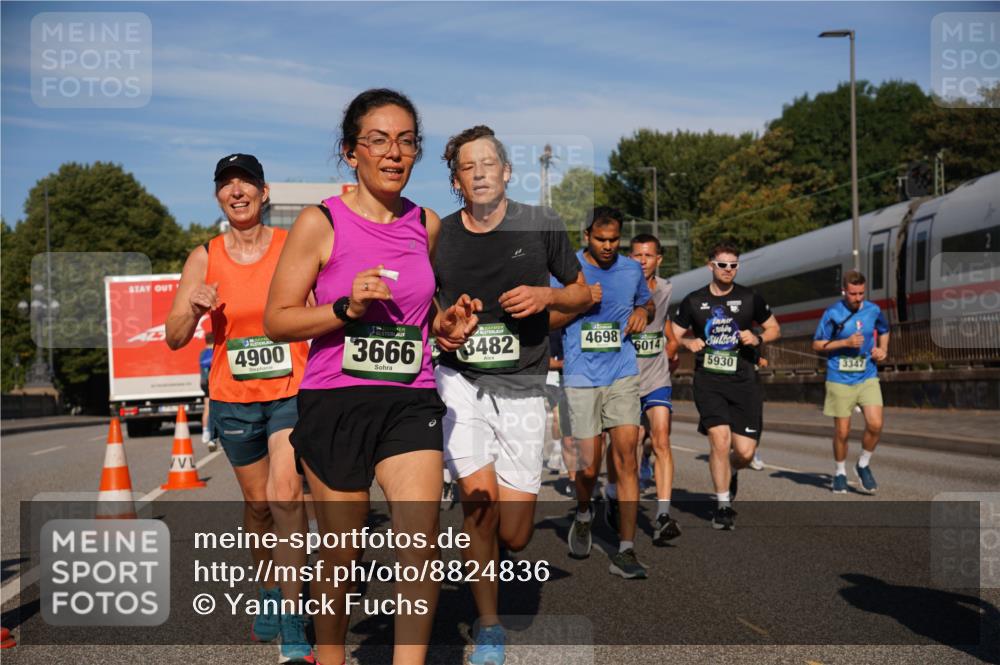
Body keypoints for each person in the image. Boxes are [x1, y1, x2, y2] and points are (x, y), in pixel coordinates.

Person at [263, 89, 478, 665]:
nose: (394, 153)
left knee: (421, 544)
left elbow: (421, 310)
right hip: (335, 402)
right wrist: (344, 309)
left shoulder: (425, 223)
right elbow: (277, 320)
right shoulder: (320, 222)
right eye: (378, 140)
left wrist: (445, 325)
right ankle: (330, 655)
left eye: (406, 141)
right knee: (342, 552)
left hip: (410, 399)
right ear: (350, 151)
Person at [432, 126, 590, 665]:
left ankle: (494, 554)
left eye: (488, 164)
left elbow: (582, 293)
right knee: (479, 507)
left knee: (516, 535)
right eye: (467, 167)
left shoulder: (541, 223)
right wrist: (445, 326)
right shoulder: (440, 235)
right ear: (456, 181)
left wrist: (547, 295)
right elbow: (427, 309)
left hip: (523, 387)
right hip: (461, 382)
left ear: (506, 171)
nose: (479, 173)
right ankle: (489, 625)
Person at [165, 153, 313, 661]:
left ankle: (294, 615)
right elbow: (173, 337)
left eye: (246, 182)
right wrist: (193, 308)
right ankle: (269, 588)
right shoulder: (204, 257)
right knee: (258, 505)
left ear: (263, 192)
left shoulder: (292, 246)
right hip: (234, 399)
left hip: (291, 391)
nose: (237, 191)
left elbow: (323, 303)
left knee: (286, 495)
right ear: (218, 197)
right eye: (226, 184)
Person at [560, 206, 654, 579]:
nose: (608, 246)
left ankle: (626, 550)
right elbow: (548, 316)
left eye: (614, 240)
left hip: (622, 372)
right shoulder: (567, 269)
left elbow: (646, 301)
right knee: (587, 467)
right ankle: (585, 512)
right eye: (601, 239)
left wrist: (644, 312)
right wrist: (580, 300)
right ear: (587, 236)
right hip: (582, 375)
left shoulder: (631, 269)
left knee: (627, 455)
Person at [672, 241, 779, 531]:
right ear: (711, 266)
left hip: (744, 382)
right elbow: (673, 335)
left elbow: (774, 328)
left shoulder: (750, 297)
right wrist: (687, 342)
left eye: (733, 265)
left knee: (744, 452)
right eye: (722, 265)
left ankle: (732, 470)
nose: (728, 269)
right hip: (709, 381)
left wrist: (757, 338)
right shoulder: (694, 300)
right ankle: (722, 506)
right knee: (719, 440)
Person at [812, 270, 890, 494]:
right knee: (842, 433)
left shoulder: (873, 310)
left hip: (867, 375)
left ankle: (863, 464)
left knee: (875, 424)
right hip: (839, 378)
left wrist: (882, 350)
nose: (857, 298)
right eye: (853, 294)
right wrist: (844, 342)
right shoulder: (832, 313)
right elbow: (817, 344)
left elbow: (884, 330)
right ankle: (840, 472)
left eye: (861, 293)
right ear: (844, 291)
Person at [628, 234, 681, 545]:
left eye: (648, 256)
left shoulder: (666, 288)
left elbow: (664, 324)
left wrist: (671, 346)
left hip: (657, 377)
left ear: (659, 259)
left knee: (661, 437)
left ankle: (662, 514)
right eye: (637, 255)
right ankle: (622, 499)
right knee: (632, 441)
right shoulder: (621, 287)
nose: (643, 261)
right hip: (627, 379)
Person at [199, 331, 218, 452]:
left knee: (206, 407)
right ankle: (212, 436)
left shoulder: (203, 353)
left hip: (204, 383)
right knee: (213, 408)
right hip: (213, 383)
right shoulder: (215, 352)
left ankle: (205, 431)